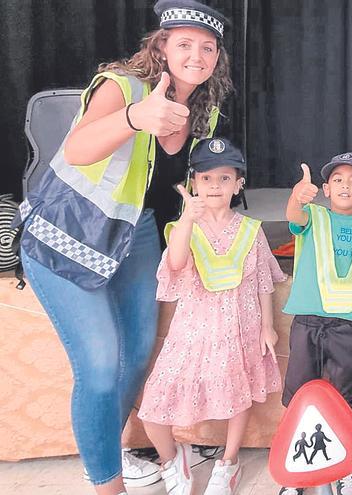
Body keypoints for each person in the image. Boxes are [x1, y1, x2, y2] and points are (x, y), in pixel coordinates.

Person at [16, 1, 232, 493]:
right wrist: (137, 116)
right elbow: (76, 150)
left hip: (135, 235)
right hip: (67, 233)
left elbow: (175, 173)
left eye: (207, 47)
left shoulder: (205, 110)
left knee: (135, 357)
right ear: (160, 45)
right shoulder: (123, 86)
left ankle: (104, 452)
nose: (196, 55)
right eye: (183, 43)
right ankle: (106, 485)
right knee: (98, 363)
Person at [137, 138, 285, 495]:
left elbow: (263, 280)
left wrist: (267, 326)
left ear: (239, 184)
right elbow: (174, 264)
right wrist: (187, 217)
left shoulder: (251, 230)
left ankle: (229, 462)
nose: (215, 186)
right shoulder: (182, 227)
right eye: (206, 178)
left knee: (239, 397)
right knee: (155, 407)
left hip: (240, 330)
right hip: (192, 334)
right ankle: (172, 458)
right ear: (193, 183)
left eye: (224, 178)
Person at [279, 152, 352, 495]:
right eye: (338, 180)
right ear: (325, 188)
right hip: (307, 321)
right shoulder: (314, 216)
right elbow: (293, 216)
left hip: (345, 326)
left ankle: (345, 466)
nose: (346, 186)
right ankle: (295, 471)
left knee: (345, 395)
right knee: (299, 395)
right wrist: (297, 195)